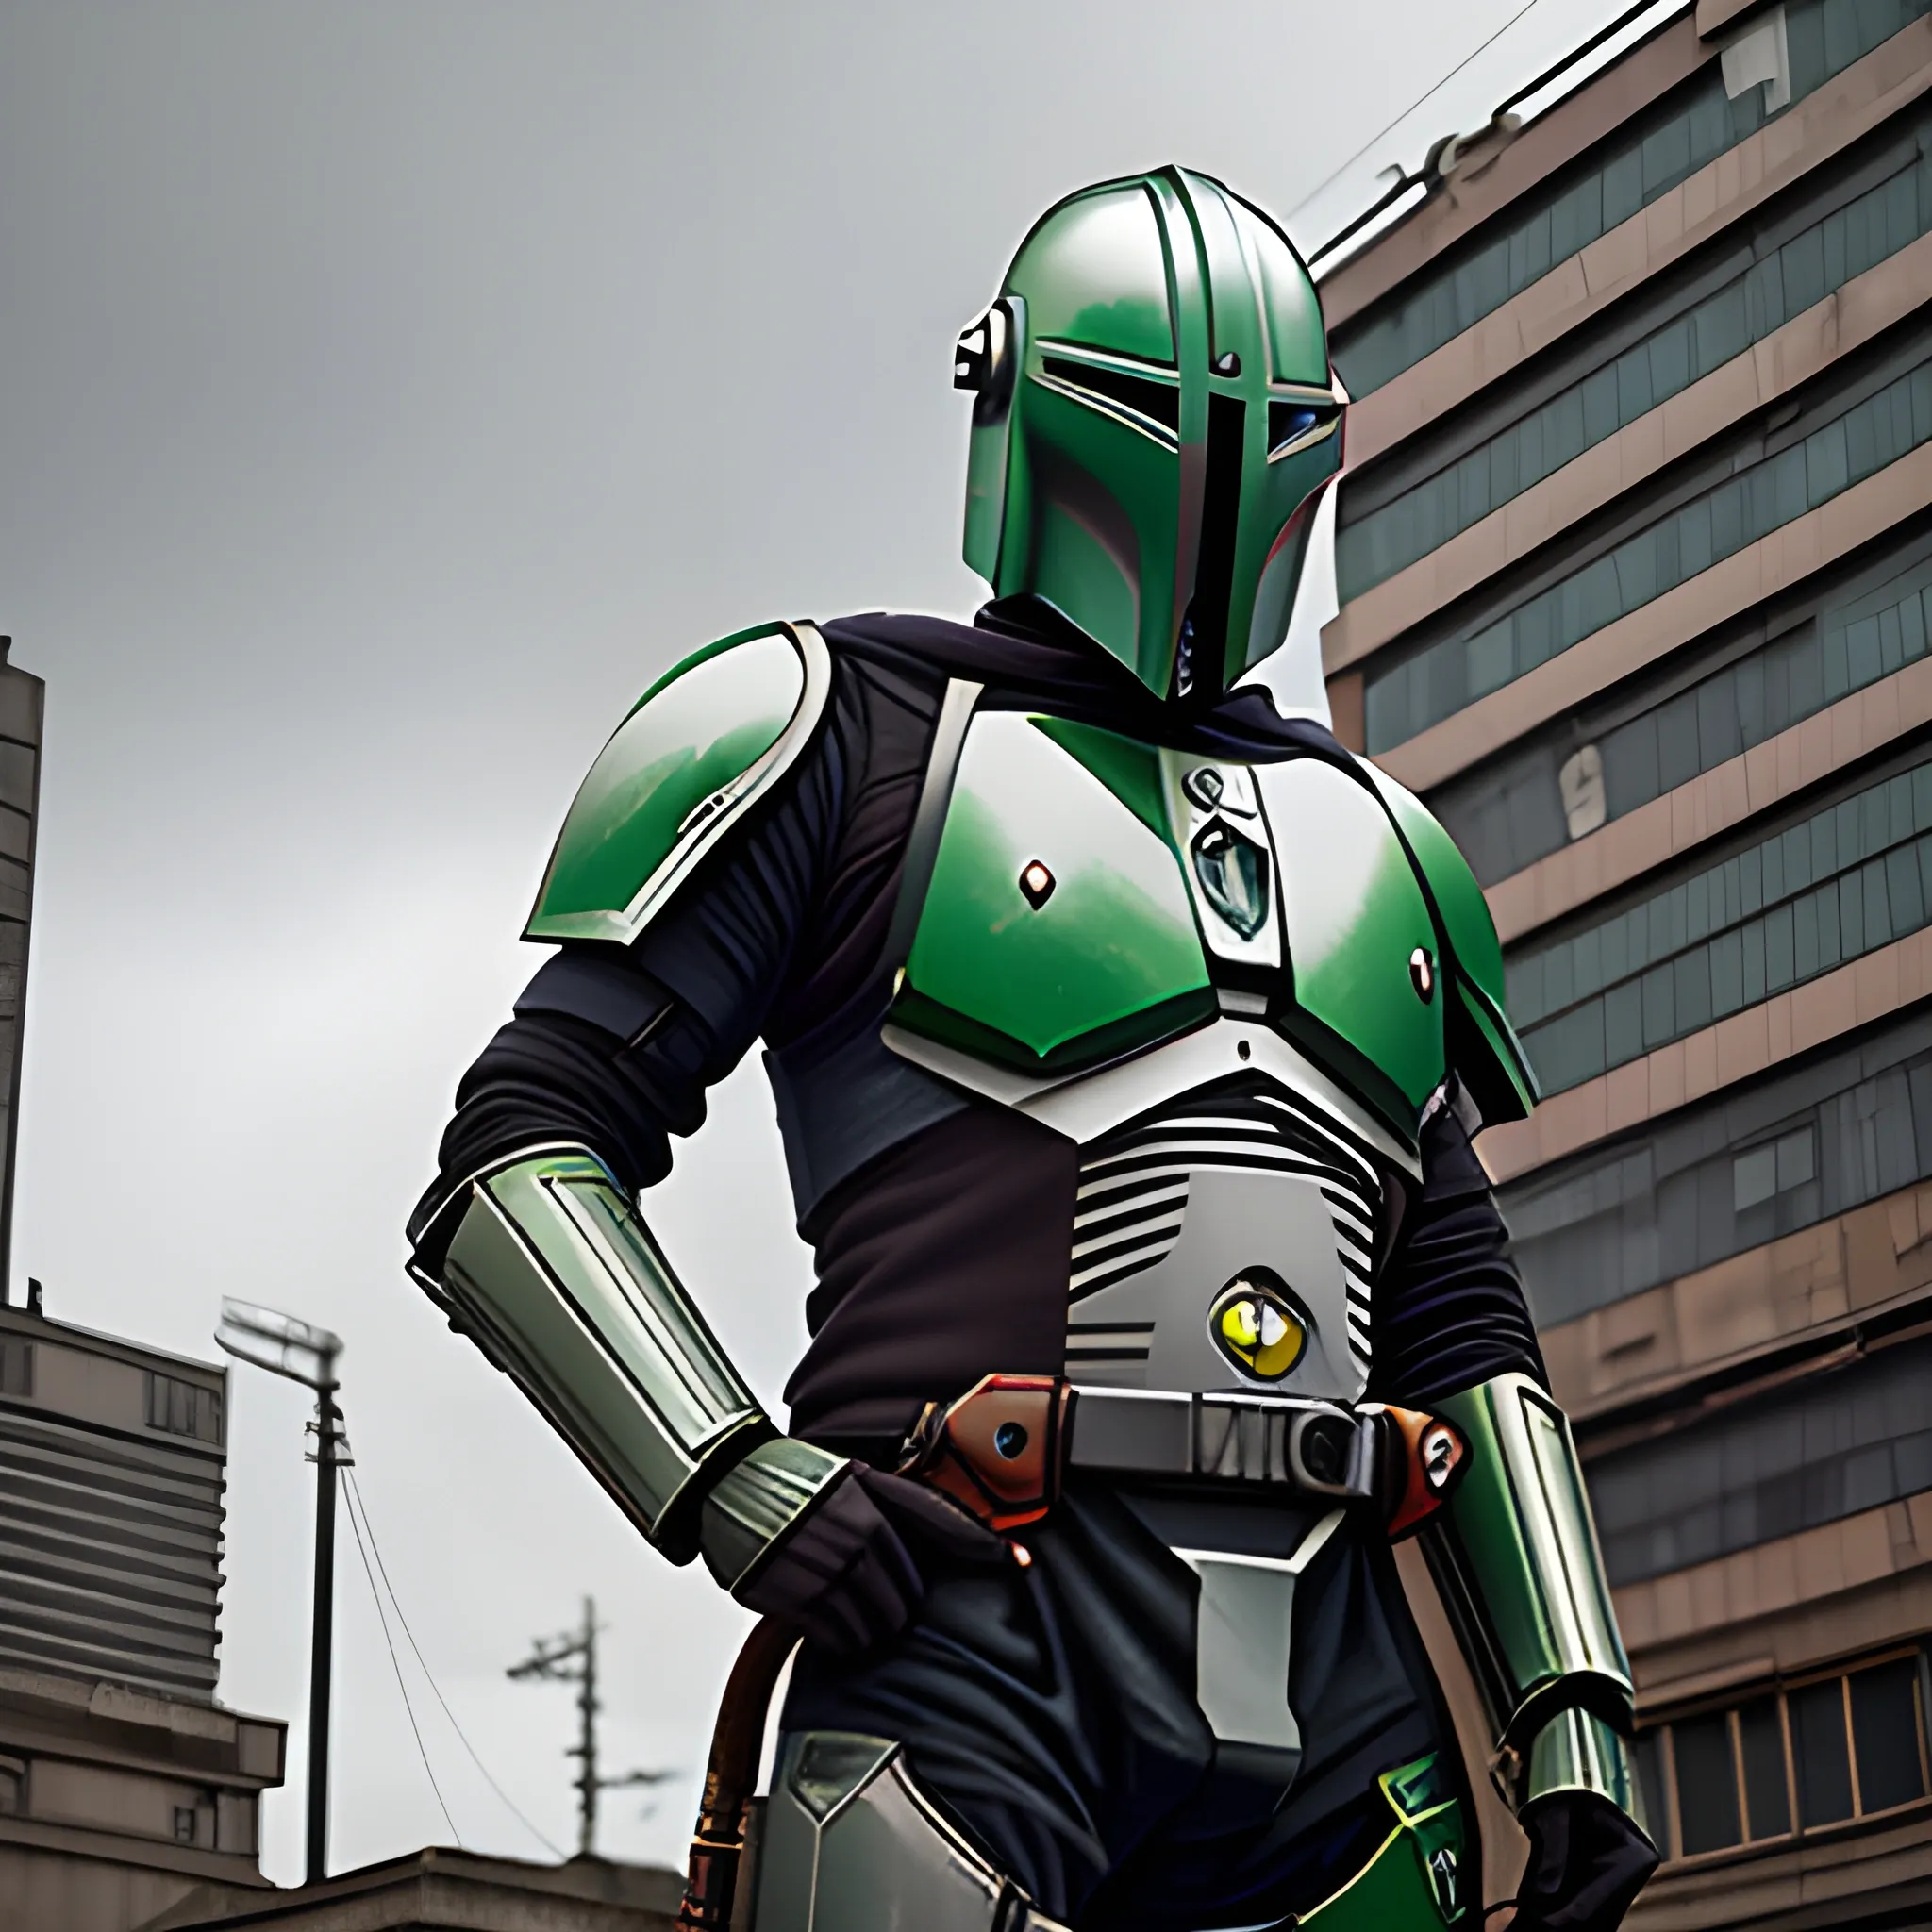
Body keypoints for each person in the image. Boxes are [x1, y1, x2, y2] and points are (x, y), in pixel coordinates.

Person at [407, 166, 1657, 1932]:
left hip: (1339, 1671)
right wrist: (735, 1477)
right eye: (1160, 411)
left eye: (1271, 429)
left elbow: (1454, 1298)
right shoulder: (836, 735)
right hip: (968, 1623)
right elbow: (517, 1154)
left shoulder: (1375, 844)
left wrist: (1573, 1706)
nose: (1216, 461)